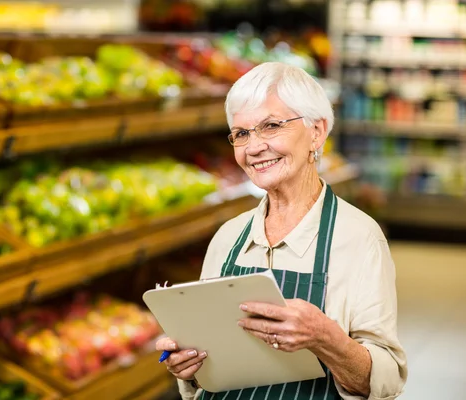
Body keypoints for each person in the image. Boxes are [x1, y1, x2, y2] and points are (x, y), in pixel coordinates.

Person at [156, 62, 407, 400]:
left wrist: (326, 339)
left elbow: (386, 382)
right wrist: (190, 369)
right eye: (241, 133)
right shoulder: (228, 237)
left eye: (271, 126)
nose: (254, 147)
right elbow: (206, 374)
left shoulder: (359, 238)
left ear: (316, 132)